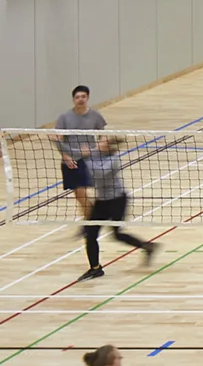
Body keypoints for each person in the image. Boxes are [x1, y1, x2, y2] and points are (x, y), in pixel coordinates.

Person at [80, 136, 156, 281]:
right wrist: (57, 141)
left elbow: (98, 174)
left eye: (101, 141)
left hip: (116, 200)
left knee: (117, 234)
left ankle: (147, 246)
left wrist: (86, 158)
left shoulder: (113, 161)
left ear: (108, 146)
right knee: (90, 235)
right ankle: (95, 268)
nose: (97, 143)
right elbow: (75, 152)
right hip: (101, 201)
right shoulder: (95, 154)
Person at [54, 84, 105, 222]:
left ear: (87, 98)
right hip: (70, 161)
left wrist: (100, 148)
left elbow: (103, 134)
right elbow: (58, 139)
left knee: (82, 192)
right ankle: (91, 217)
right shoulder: (64, 117)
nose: (80, 99)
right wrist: (66, 156)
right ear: (73, 99)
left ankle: (91, 222)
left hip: (88, 160)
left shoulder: (95, 116)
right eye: (77, 97)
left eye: (83, 97)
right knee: (78, 195)